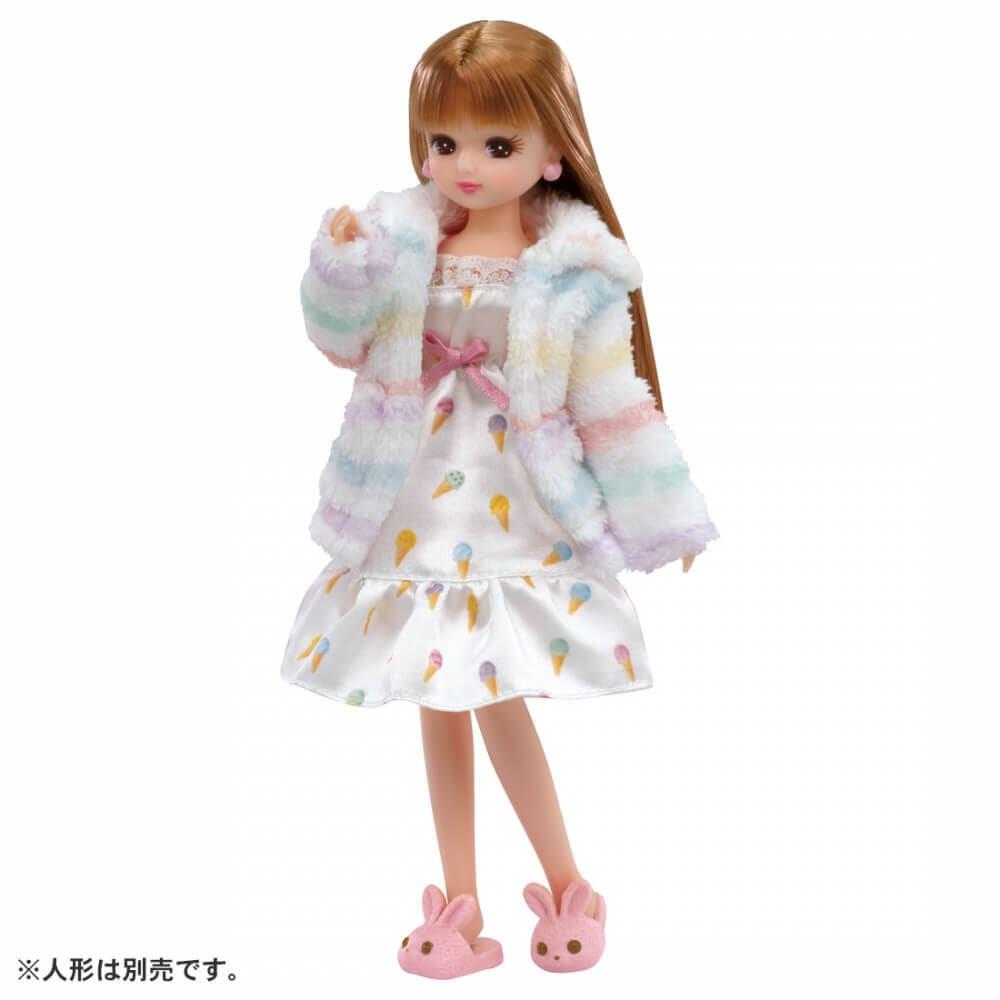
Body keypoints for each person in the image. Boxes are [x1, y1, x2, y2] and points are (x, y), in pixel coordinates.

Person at [280, 19, 718, 978]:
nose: (465, 165)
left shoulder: (572, 266)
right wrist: (341, 268)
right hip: (411, 491)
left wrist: (662, 512)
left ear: (554, 150)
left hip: (514, 497)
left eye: (496, 144)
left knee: (497, 697)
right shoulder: (401, 239)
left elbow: (611, 400)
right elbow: (340, 339)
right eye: (444, 142)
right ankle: (462, 904)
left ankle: (567, 886)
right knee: (433, 693)